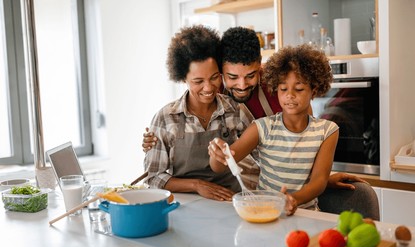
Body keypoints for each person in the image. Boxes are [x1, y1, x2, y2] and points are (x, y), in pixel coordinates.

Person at [142, 26, 368, 190]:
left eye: (250, 76)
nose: (241, 85)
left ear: (260, 67)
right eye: (231, 77)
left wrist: (319, 180)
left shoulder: (273, 91)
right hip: (209, 197)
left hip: (251, 192)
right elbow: (157, 172)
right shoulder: (187, 107)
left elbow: (288, 150)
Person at [209, 44, 339, 215]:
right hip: (265, 211)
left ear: (313, 91)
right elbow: (220, 165)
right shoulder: (262, 127)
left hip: (307, 214)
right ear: (276, 90)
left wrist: (293, 200)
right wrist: (217, 154)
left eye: (299, 89)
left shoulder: (327, 131)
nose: (290, 95)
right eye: (283, 89)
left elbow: (319, 181)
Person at [143, 25, 251, 201]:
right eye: (198, 81)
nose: (208, 88)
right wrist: (197, 185)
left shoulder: (235, 110)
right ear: (183, 78)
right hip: (184, 205)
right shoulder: (166, 118)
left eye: (214, 77)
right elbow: (154, 177)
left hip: (229, 202)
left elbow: (261, 155)